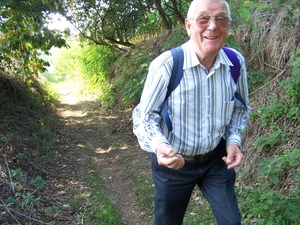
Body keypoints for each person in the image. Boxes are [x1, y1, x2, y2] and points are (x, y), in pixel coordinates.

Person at [132, 0, 251, 224]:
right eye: (203, 19)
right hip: (174, 163)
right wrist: (160, 146)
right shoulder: (167, 65)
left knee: (232, 222)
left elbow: (239, 108)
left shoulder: (236, 63)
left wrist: (234, 140)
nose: (213, 26)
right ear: (188, 25)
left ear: (229, 26)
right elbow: (144, 116)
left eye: (221, 20)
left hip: (216, 159)